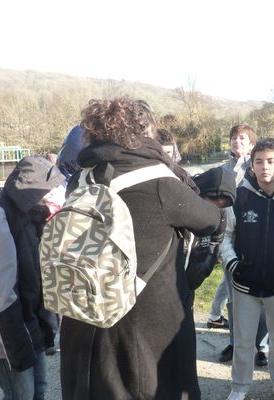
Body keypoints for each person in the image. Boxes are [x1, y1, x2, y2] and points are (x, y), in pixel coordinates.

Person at [59, 97, 220, 400]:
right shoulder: (158, 180)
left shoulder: (81, 178)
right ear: (142, 132)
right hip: (145, 322)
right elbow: (209, 220)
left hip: (86, 310)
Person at [0, 155, 66, 400]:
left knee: (38, 390)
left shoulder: (30, 214)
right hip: (9, 332)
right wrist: (16, 345)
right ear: (32, 188)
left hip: (30, 324)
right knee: (22, 395)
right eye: (49, 189)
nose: (53, 194)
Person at [220, 138, 274, 400]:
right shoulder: (240, 196)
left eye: (271, 161)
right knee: (244, 341)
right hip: (244, 284)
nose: (264, 167)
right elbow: (225, 236)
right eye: (259, 161)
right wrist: (233, 263)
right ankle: (239, 387)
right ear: (252, 165)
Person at [211, 124, 269, 369]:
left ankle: (263, 346)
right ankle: (235, 342)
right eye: (234, 137)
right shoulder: (223, 169)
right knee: (234, 296)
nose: (237, 141)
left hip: (256, 236)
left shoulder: (258, 166)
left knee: (263, 295)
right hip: (230, 237)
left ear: (252, 143)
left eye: (242, 138)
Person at [185, 167, 237, 292]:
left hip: (196, 269)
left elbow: (216, 240)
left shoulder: (222, 213)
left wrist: (206, 266)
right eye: (213, 198)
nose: (219, 201)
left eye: (224, 199)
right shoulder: (185, 205)